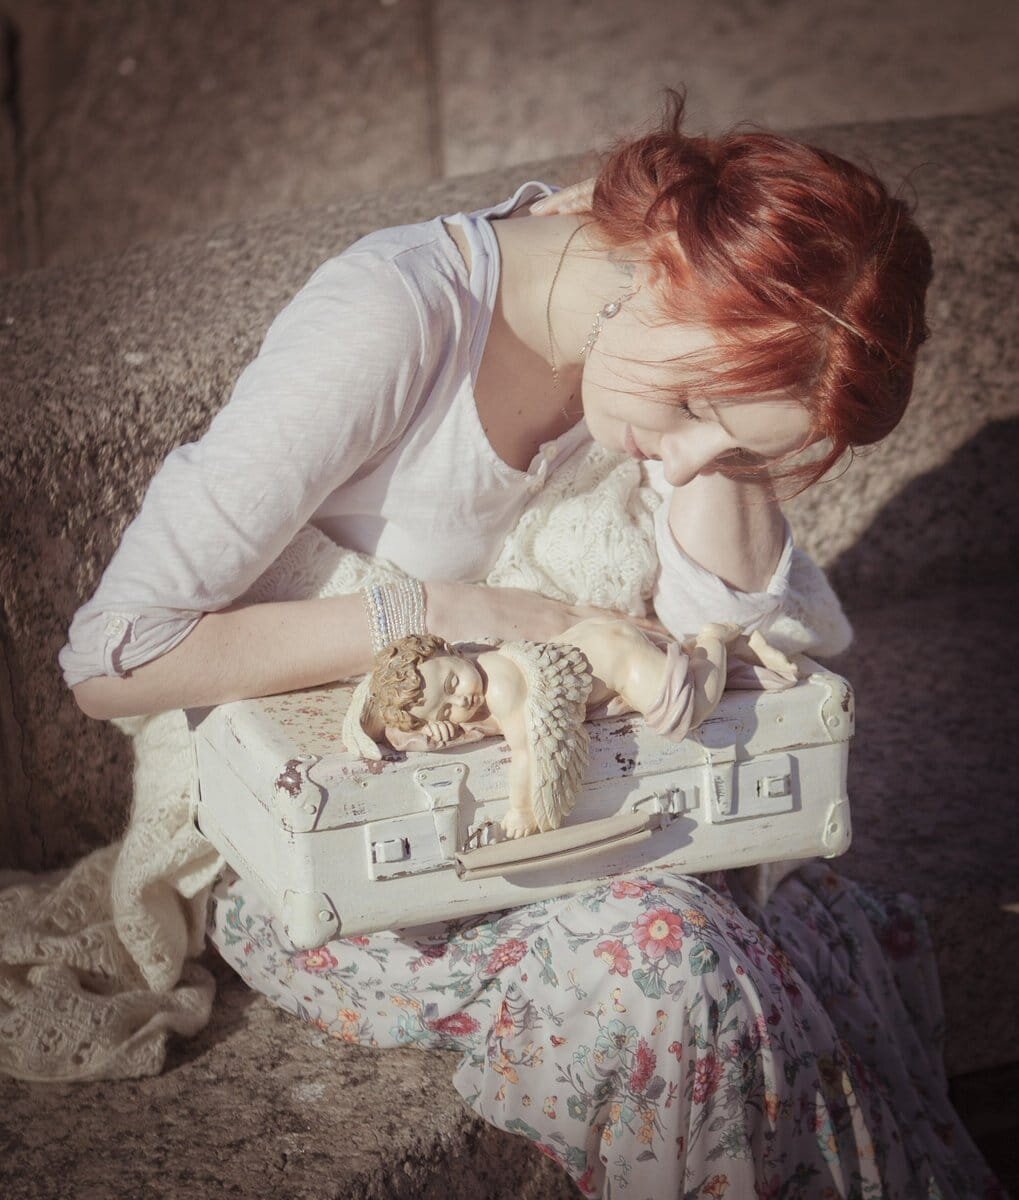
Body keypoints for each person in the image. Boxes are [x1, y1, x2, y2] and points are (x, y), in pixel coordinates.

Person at [60, 93, 1001, 1196]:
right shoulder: (395, 316)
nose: (681, 457)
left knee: (820, 928)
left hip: (588, 822)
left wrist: (729, 455)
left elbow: (744, 641)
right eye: (693, 402)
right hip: (340, 852)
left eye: (729, 445)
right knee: (677, 971)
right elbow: (113, 660)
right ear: (664, 259)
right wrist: (459, 609)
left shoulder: (654, 348)